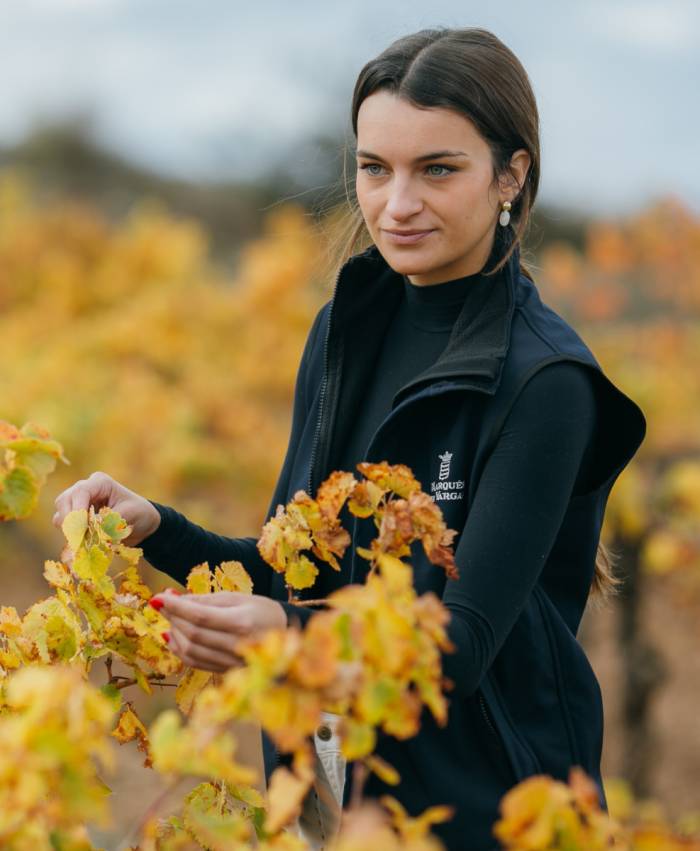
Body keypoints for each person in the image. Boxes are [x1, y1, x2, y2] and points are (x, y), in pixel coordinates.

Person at [53, 27, 647, 851]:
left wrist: (281, 636)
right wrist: (159, 525)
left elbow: (457, 652)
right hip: (328, 798)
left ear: (511, 174)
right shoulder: (345, 330)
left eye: (437, 168)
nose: (396, 204)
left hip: (485, 813)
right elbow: (289, 564)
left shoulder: (547, 384)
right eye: (375, 168)